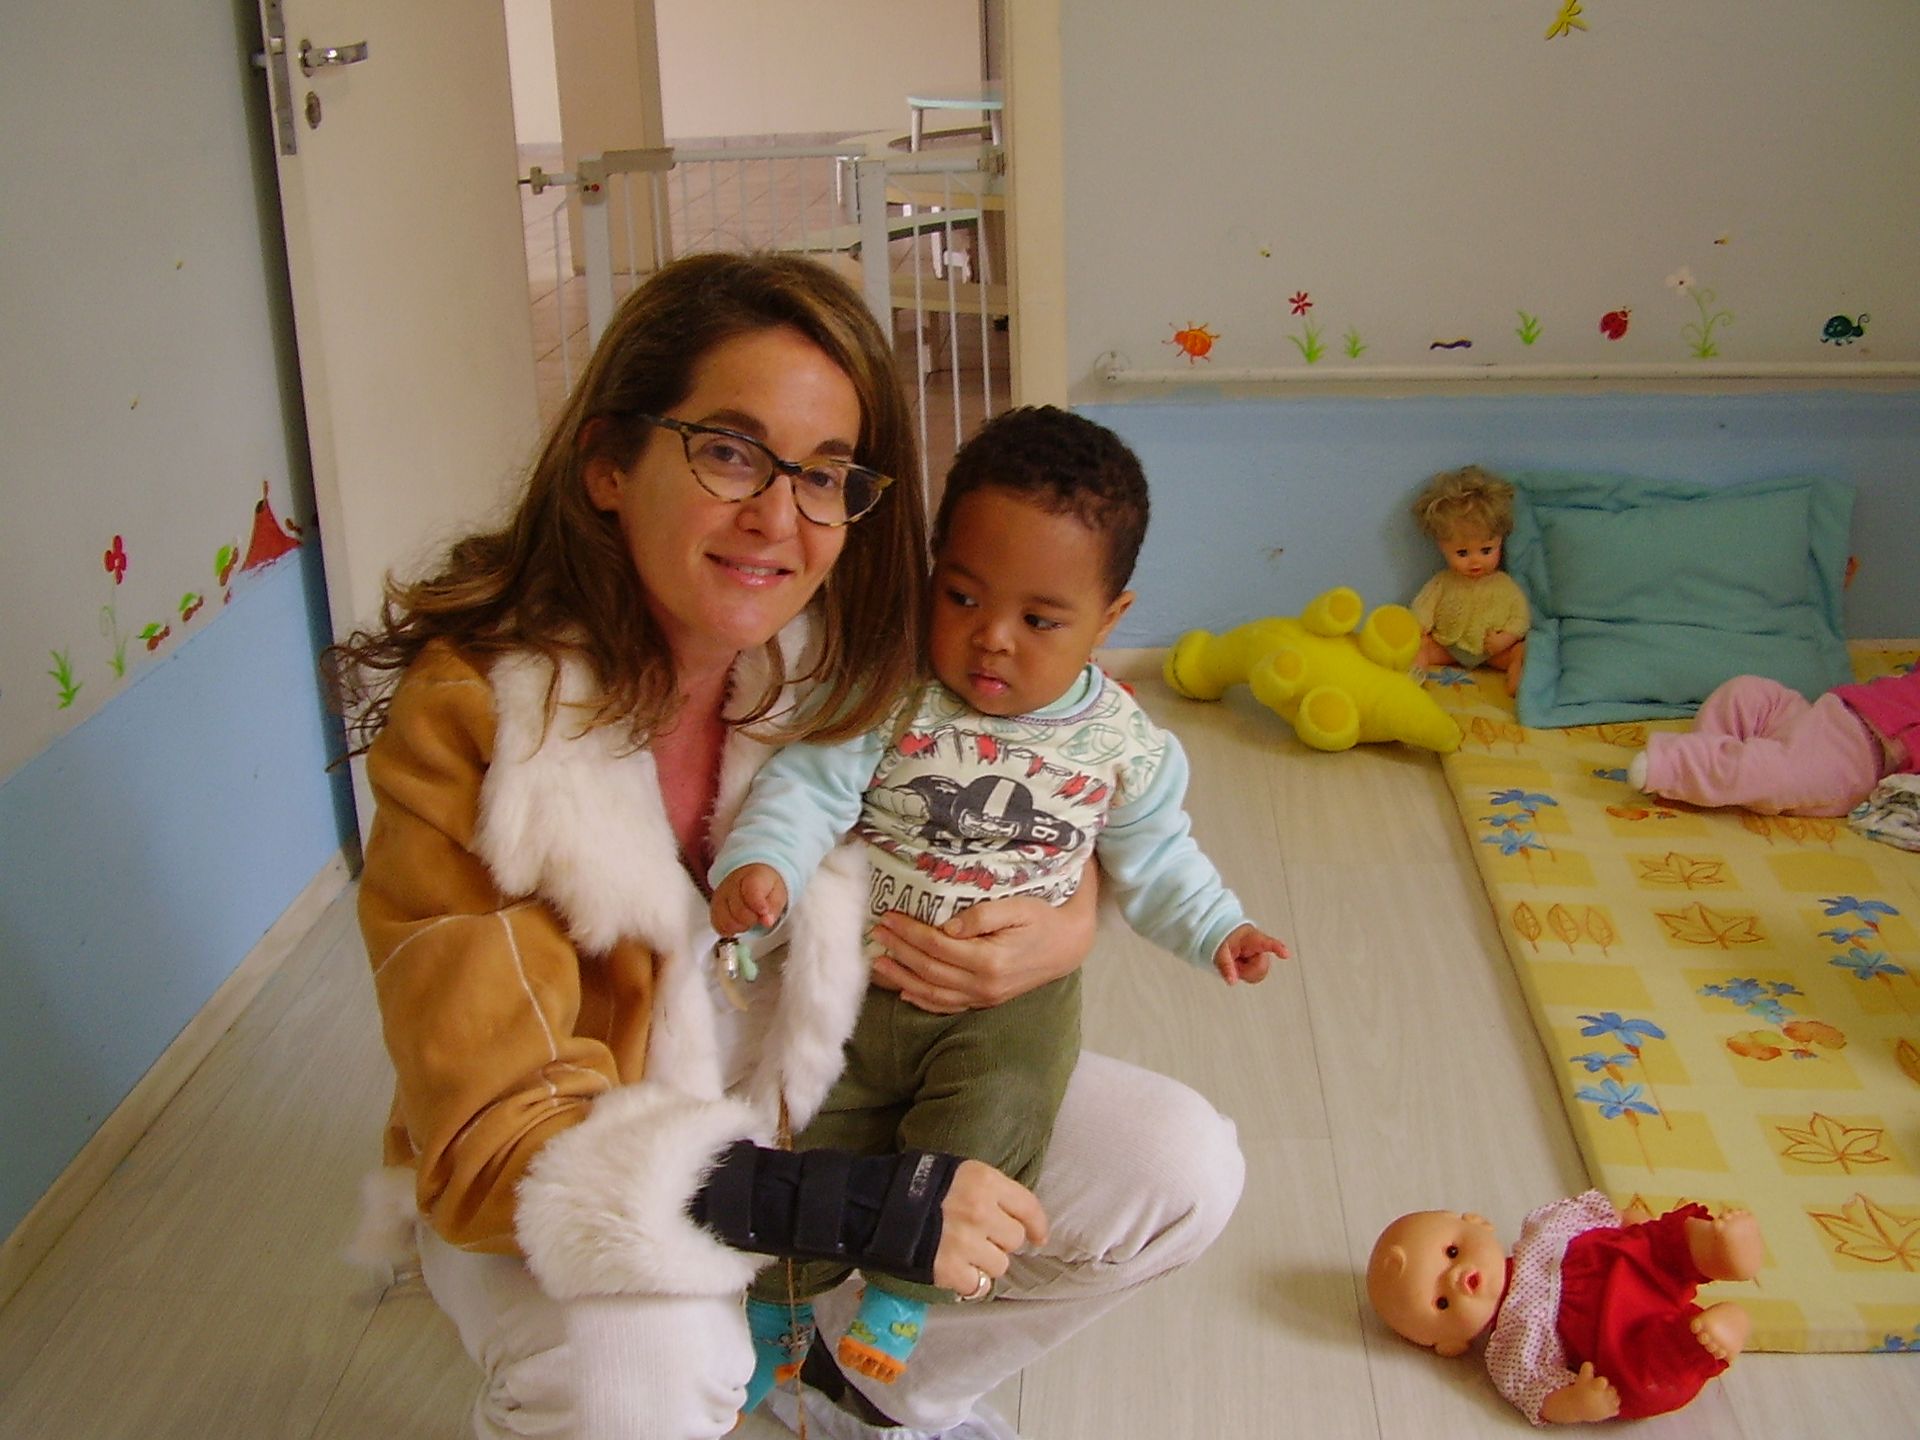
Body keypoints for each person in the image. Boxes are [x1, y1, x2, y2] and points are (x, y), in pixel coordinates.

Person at [328, 252, 1246, 1440]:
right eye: (728, 452)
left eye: (824, 474)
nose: (778, 517)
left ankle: (858, 1392)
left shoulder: (844, 655)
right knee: (638, 1369)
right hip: (582, 1153)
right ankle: (732, 1342)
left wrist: (1066, 926)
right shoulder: (479, 723)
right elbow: (501, 1140)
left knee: (1177, 1167)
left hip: (816, 1085)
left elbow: (1051, 790)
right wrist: (862, 1207)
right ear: (608, 461)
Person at [705, 406, 1288, 1406]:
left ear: (1110, 617)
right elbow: (807, 788)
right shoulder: (892, 693)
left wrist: (1218, 928)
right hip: (860, 985)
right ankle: (777, 1312)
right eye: (963, 595)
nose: (991, 639)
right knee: (817, 1141)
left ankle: (900, 1301)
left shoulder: (1125, 746)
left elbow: (1159, 858)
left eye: (1041, 620)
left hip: (1009, 1012)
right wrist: (765, 866)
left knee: (991, 1123)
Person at [1366, 1194, 1762, 1425]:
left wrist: (1629, 1223)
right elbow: (1539, 1396)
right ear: (1451, 1343)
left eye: (1452, 1252)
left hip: (1626, 1264)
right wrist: (1576, 1404)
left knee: (1657, 1245)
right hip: (1623, 1331)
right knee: (1638, 1379)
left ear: (1479, 1224)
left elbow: (1602, 1221)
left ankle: (1717, 1251)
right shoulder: (1510, 1350)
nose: (1454, 1277)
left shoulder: (1542, 1229)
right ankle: (1702, 1336)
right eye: (1441, 1302)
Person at [1628, 668, 1920, 817]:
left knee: (1776, 769)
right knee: (1748, 695)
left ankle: (1683, 767)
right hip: (1835, 718)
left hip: (1856, 753)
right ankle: (1702, 768)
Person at [1408, 465, 1530, 696]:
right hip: (1449, 646)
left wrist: (1505, 639)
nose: (1475, 562)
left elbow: (1520, 617)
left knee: (1521, 650)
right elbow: (1423, 607)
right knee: (1419, 645)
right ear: (1442, 546)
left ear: (1500, 541)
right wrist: (1419, 626)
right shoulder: (1443, 582)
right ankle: (1414, 677)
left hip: (1490, 651)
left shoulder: (1504, 585)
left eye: (1486, 550)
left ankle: (1517, 675)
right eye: (1462, 553)